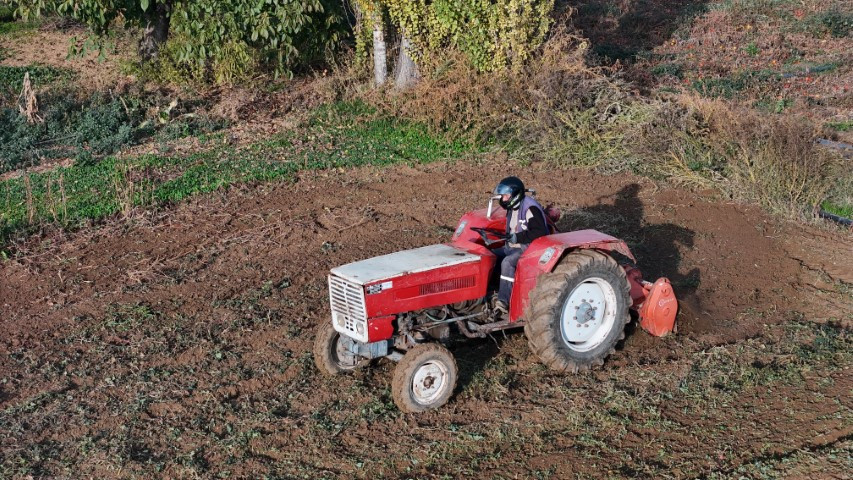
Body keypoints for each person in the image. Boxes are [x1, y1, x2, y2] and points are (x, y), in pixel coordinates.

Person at [491, 176, 550, 318]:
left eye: (506, 196)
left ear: (515, 194)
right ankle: (492, 291)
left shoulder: (530, 208)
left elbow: (539, 232)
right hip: (512, 245)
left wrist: (518, 237)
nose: (503, 199)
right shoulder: (513, 207)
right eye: (502, 196)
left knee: (508, 262)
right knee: (490, 255)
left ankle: (503, 302)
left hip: (528, 248)